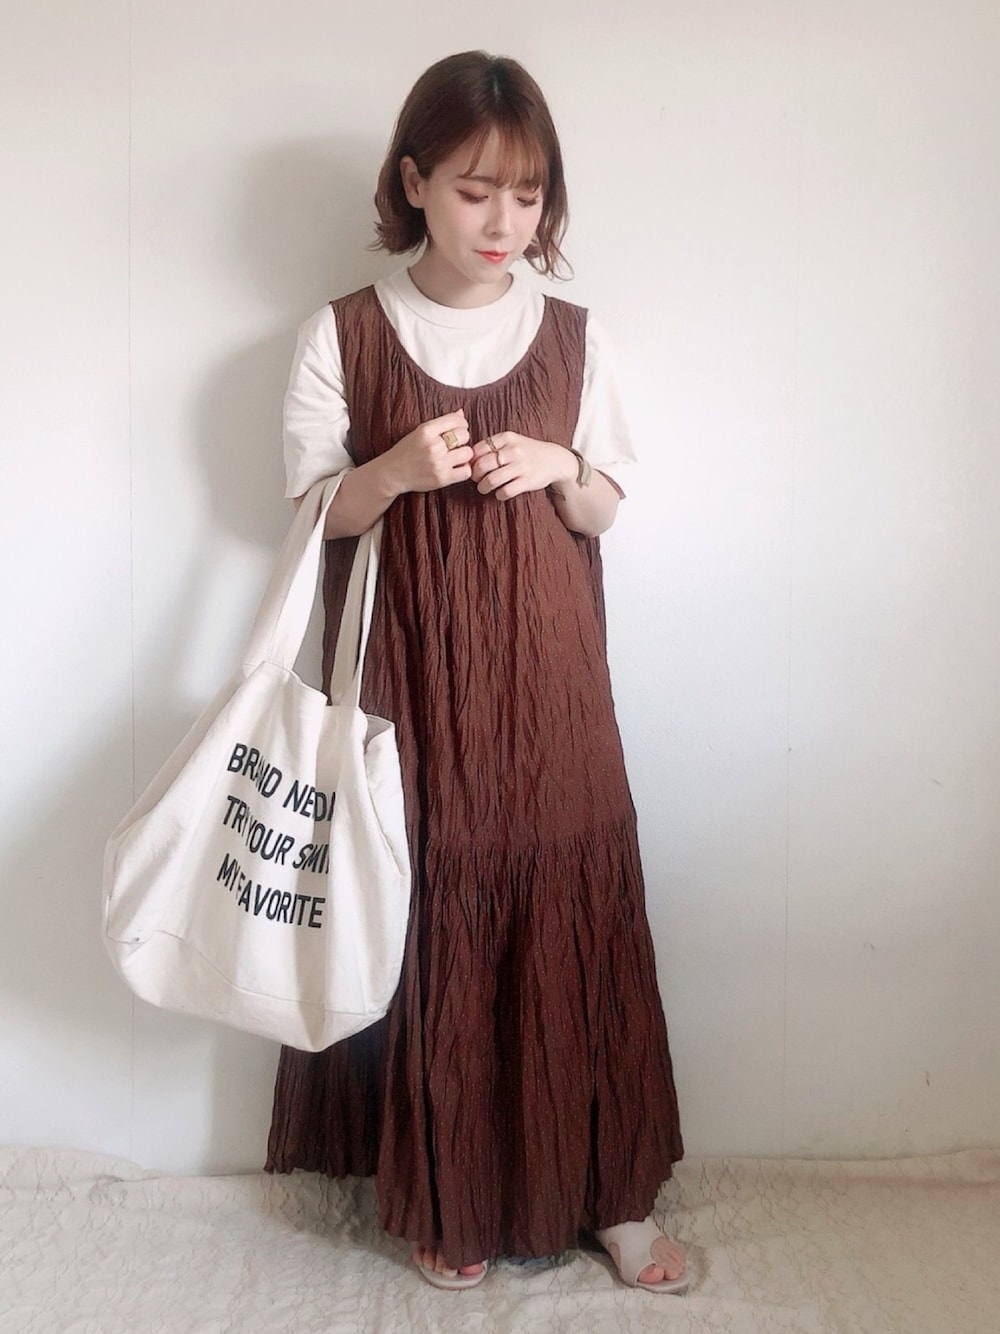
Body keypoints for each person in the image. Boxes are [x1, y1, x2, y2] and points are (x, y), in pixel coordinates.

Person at [266, 50, 687, 1295]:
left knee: (573, 897)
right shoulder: (343, 330)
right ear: (413, 183)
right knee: (424, 897)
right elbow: (312, 515)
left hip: (549, 685)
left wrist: (561, 465)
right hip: (412, 682)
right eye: (473, 190)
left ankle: (611, 1192)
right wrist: (394, 470)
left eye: (527, 193)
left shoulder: (573, 336)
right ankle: (448, 1190)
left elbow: (605, 508)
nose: (504, 220)